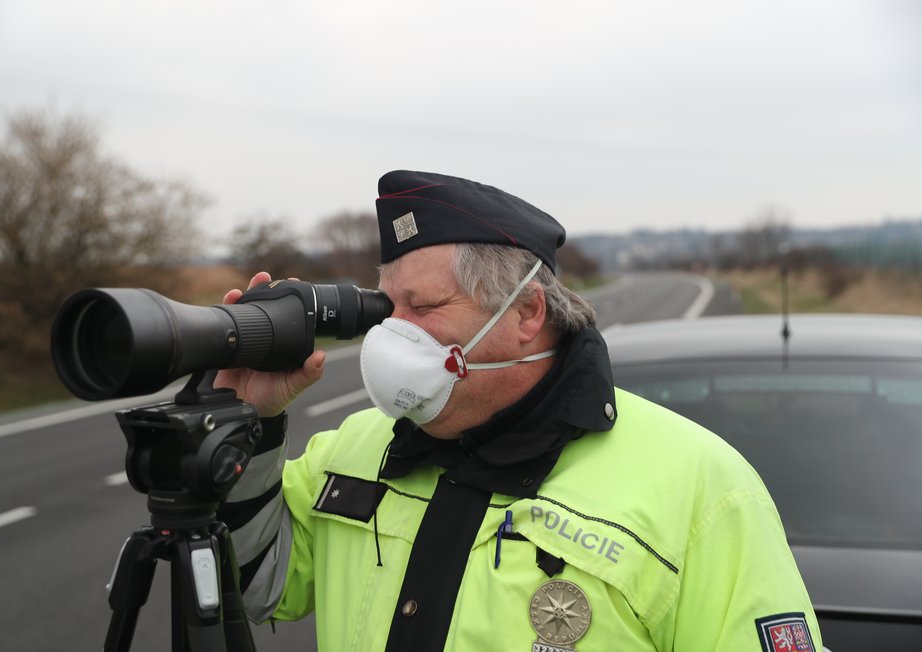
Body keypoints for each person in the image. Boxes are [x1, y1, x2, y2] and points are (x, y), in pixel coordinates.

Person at [215, 170, 822, 652]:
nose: (391, 334)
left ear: (528, 314)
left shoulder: (702, 488)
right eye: (387, 306)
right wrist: (251, 425)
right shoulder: (355, 448)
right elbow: (257, 585)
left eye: (422, 306)